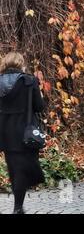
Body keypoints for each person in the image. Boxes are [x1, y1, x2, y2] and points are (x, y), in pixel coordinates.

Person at [0, 52, 45, 214]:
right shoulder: (29, 81)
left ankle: (18, 207)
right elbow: (40, 107)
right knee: (23, 170)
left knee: (14, 169)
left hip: (5, 133)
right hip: (25, 133)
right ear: (20, 64)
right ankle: (18, 207)